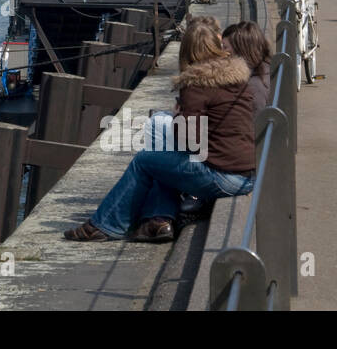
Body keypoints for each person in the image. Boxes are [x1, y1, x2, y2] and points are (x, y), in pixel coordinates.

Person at [63, 19, 254, 243]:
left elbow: (189, 142)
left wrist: (177, 117)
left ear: (187, 51)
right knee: (161, 160)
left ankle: (105, 226)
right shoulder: (238, 78)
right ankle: (156, 222)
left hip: (222, 176)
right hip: (246, 175)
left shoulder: (197, 84)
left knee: (144, 160)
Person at [222, 21, 272, 114]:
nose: (222, 53)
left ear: (240, 50)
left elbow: (256, 124)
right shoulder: (267, 69)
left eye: (225, 47)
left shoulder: (254, 86)